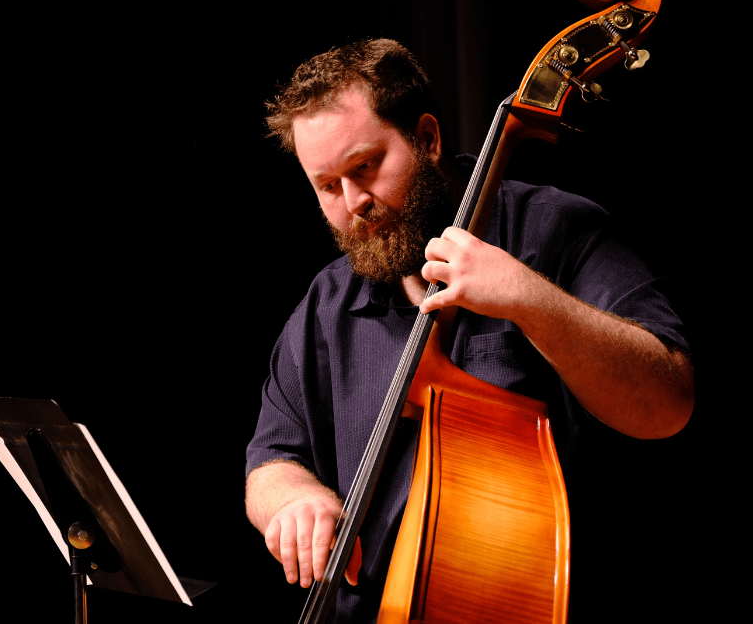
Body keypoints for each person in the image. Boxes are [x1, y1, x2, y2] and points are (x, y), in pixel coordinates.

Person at [244, 38, 694, 623]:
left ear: (427, 139)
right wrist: (293, 497)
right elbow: (272, 456)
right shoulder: (329, 302)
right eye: (328, 186)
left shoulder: (554, 231)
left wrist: (529, 299)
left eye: (366, 167)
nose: (354, 201)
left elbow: (668, 402)